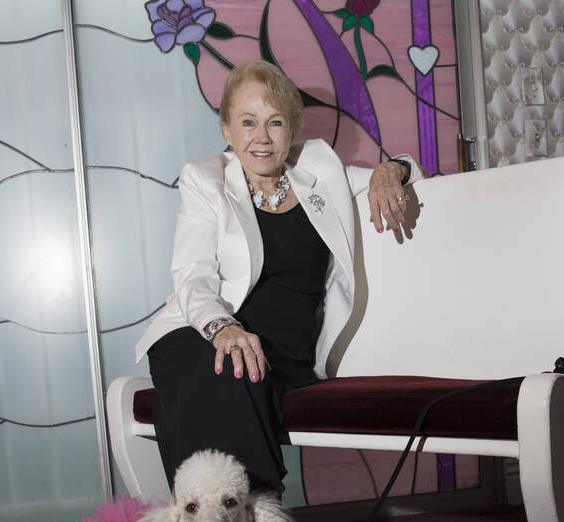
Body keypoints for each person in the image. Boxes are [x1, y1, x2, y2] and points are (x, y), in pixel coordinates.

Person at [134, 59, 421, 494]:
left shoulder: (320, 172)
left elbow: (410, 171)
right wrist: (225, 329)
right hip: (204, 333)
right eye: (247, 123)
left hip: (285, 354)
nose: (262, 138)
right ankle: (260, 513)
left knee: (230, 379)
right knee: (225, 368)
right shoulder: (204, 181)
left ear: (293, 128)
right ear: (227, 131)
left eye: (275, 122)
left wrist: (389, 171)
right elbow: (192, 276)